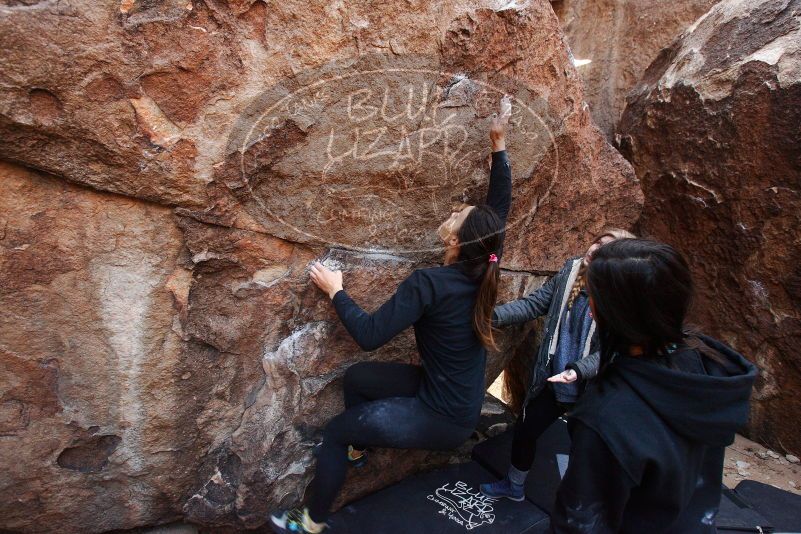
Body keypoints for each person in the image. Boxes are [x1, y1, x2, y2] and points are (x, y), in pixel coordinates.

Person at [269, 104, 513, 534]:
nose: (455, 208)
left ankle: (310, 521)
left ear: (455, 239)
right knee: (360, 379)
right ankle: (360, 451)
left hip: (442, 417)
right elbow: (499, 210)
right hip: (452, 396)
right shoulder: (485, 263)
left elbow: (370, 334)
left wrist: (336, 291)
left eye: (459, 213)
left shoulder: (430, 283)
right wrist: (499, 145)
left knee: (337, 432)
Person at [551, 239, 756, 533]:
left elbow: (580, 522)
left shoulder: (607, 416)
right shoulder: (709, 368)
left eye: (593, 294)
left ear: (606, 311)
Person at [480, 228, 634, 502]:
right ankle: (514, 487)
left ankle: (586, 507)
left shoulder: (620, 297)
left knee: (586, 450)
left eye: (606, 249)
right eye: (598, 240)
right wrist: (488, 317)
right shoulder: (571, 272)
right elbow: (533, 305)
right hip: (554, 380)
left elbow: (610, 352)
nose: (595, 248)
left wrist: (577, 370)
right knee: (526, 431)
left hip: (590, 388)